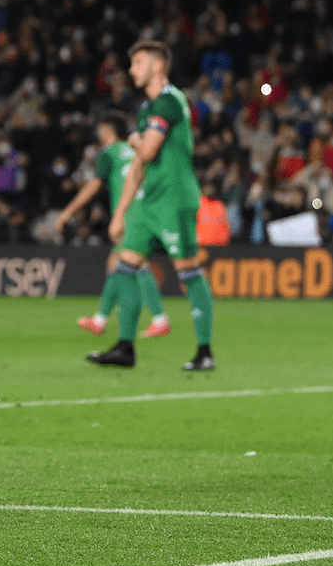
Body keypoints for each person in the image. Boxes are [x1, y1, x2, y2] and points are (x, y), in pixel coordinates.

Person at [98, 39, 216, 371]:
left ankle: (204, 352)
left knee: (188, 272)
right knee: (124, 265)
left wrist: (134, 141)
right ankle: (124, 347)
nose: (132, 70)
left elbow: (146, 151)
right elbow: (137, 166)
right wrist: (120, 213)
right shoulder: (148, 110)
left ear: (157, 66)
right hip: (148, 202)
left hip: (175, 199)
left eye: (137, 63)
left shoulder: (170, 102)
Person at [55, 112, 170, 339]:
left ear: (107, 129)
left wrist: (66, 213)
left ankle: (156, 318)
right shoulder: (139, 149)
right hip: (148, 210)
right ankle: (102, 319)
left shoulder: (109, 153)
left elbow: (93, 187)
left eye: (100, 128)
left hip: (129, 214)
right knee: (123, 262)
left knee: (129, 262)